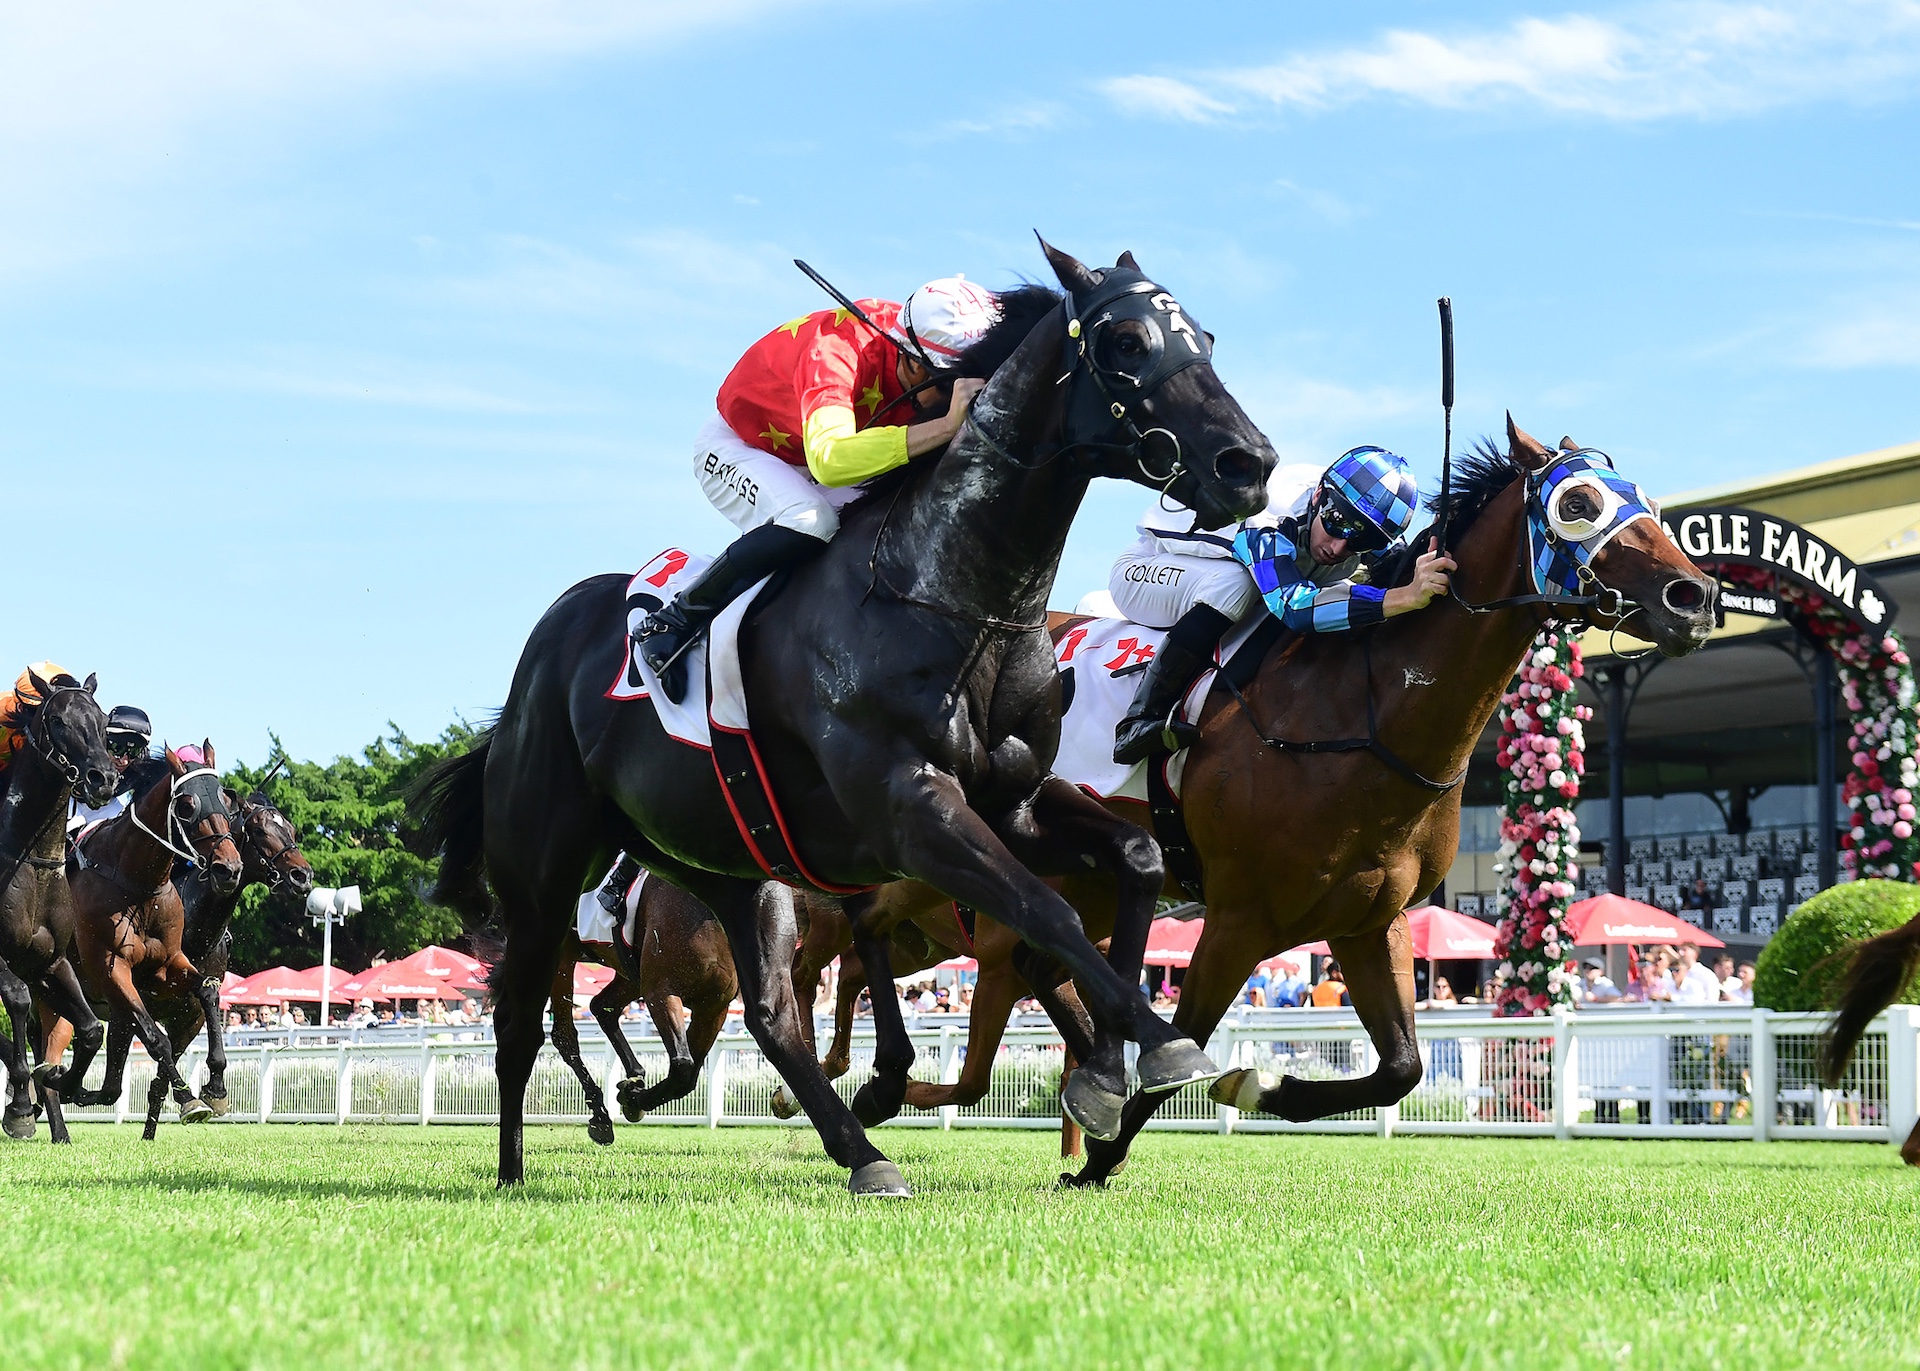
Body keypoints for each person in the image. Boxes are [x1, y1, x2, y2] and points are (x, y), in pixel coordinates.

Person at [634, 277, 1004, 702]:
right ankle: (674, 621)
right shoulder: (834, 350)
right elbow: (830, 461)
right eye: (950, 385)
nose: (956, 397)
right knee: (810, 520)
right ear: (915, 364)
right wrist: (944, 426)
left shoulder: (920, 349)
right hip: (743, 447)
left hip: (820, 451)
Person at [1108, 447, 1451, 762]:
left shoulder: (1358, 512)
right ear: (1319, 496)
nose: (1338, 546)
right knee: (1237, 585)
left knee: (1336, 587)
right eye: (1337, 523)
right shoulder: (1270, 514)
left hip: (1210, 576)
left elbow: (1398, 566)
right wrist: (1404, 597)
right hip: (1144, 570)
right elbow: (1294, 607)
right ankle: (1140, 718)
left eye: (1362, 540)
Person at [68, 704, 152, 832]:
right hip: (70, 798)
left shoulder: (141, 766)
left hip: (105, 806)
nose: (124, 761)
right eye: (118, 749)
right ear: (104, 740)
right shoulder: (85, 747)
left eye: (133, 752)